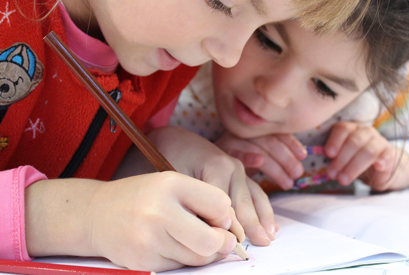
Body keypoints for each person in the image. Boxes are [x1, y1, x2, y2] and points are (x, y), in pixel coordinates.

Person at [0, 0, 366, 272]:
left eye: (260, 28)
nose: (227, 57)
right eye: (222, 2)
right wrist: (85, 218)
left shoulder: (165, 61)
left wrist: (148, 154)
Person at [166, 0, 409, 194]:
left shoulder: (372, 103)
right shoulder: (174, 66)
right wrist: (191, 160)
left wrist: (395, 165)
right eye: (267, 41)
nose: (274, 93)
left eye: (324, 87)